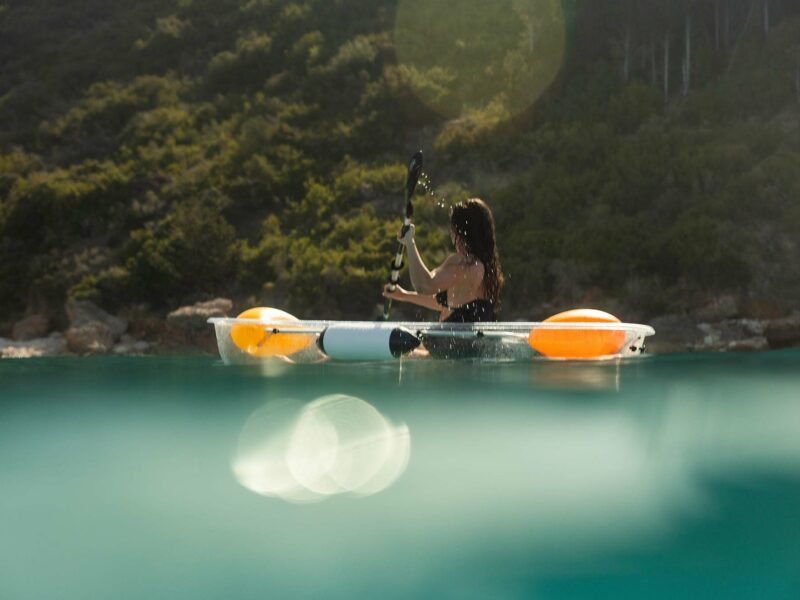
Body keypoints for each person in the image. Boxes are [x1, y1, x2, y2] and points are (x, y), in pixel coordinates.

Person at [382, 198, 503, 323]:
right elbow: (445, 303)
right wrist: (404, 295)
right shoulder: (484, 269)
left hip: (454, 341)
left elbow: (424, 285)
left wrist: (410, 242)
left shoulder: (464, 263)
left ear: (458, 231)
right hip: (472, 341)